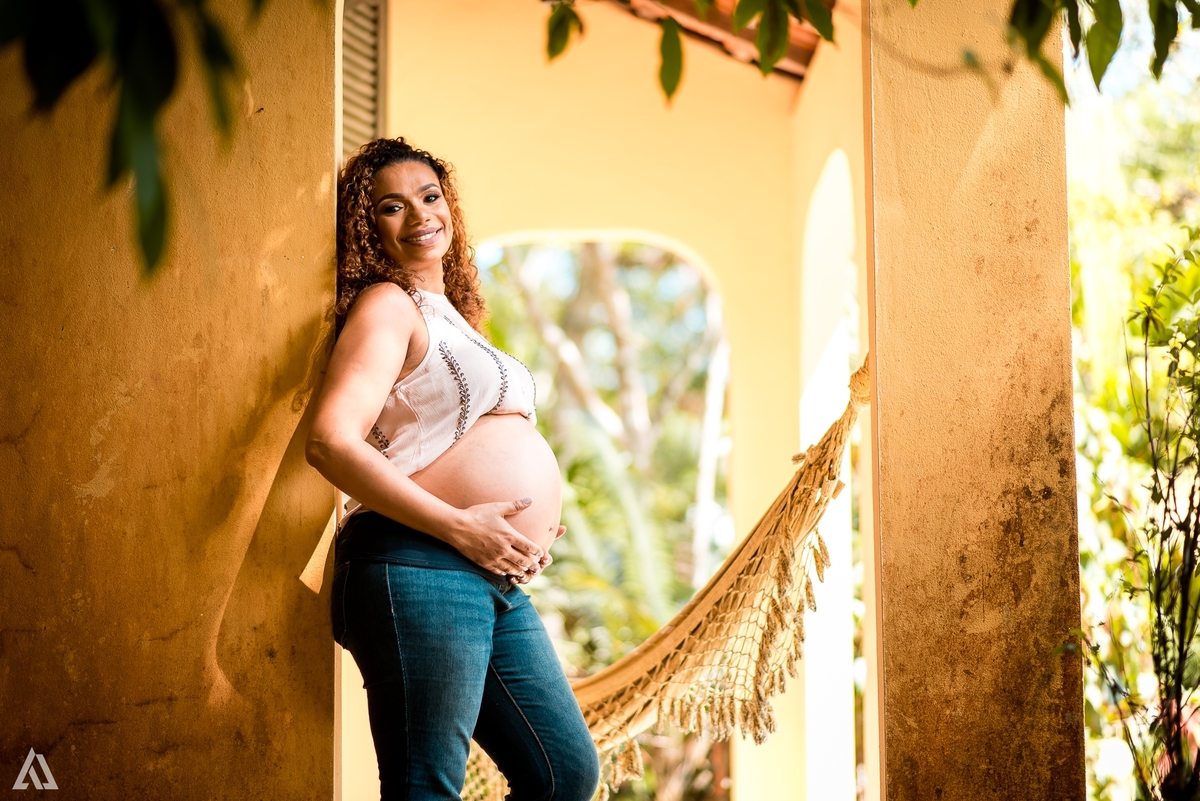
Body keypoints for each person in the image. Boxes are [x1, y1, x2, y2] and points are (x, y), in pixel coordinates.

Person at [305, 137, 600, 800]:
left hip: (487, 570)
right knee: (425, 786)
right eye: (390, 206)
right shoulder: (388, 306)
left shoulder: (455, 321)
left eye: (429, 196)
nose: (418, 215)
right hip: (416, 560)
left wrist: (515, 533)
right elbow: (329, 441)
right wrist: (461, 524)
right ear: (366, 225)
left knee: (563, 774)